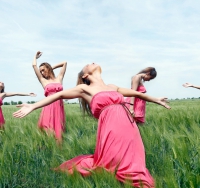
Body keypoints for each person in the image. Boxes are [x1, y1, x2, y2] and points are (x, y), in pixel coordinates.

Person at [13, 63, 170, 188]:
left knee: (133, 156)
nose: (92, 63)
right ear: (85, 75)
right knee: (114, 158)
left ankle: (130, 176)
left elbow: (136, 94)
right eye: (88, 64)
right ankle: (119, 176)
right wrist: (33, 106)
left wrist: (155, 99)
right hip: (110, 125)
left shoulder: (112, 86)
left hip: (128, 124)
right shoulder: (84, 89)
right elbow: (59, 95)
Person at [32, 51, 67, 142]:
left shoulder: (59, 78)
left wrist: (52, 68)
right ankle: (47, 149)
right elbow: (34, 66)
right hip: (48, 107)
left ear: (48, 68)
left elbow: (64, 63)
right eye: (40, 71)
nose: (42, 73)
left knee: (59, 133)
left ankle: (58, 152)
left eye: (43, 70)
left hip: (59, 107)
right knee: (48, 131)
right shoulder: (43, 81)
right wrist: (35, 57)